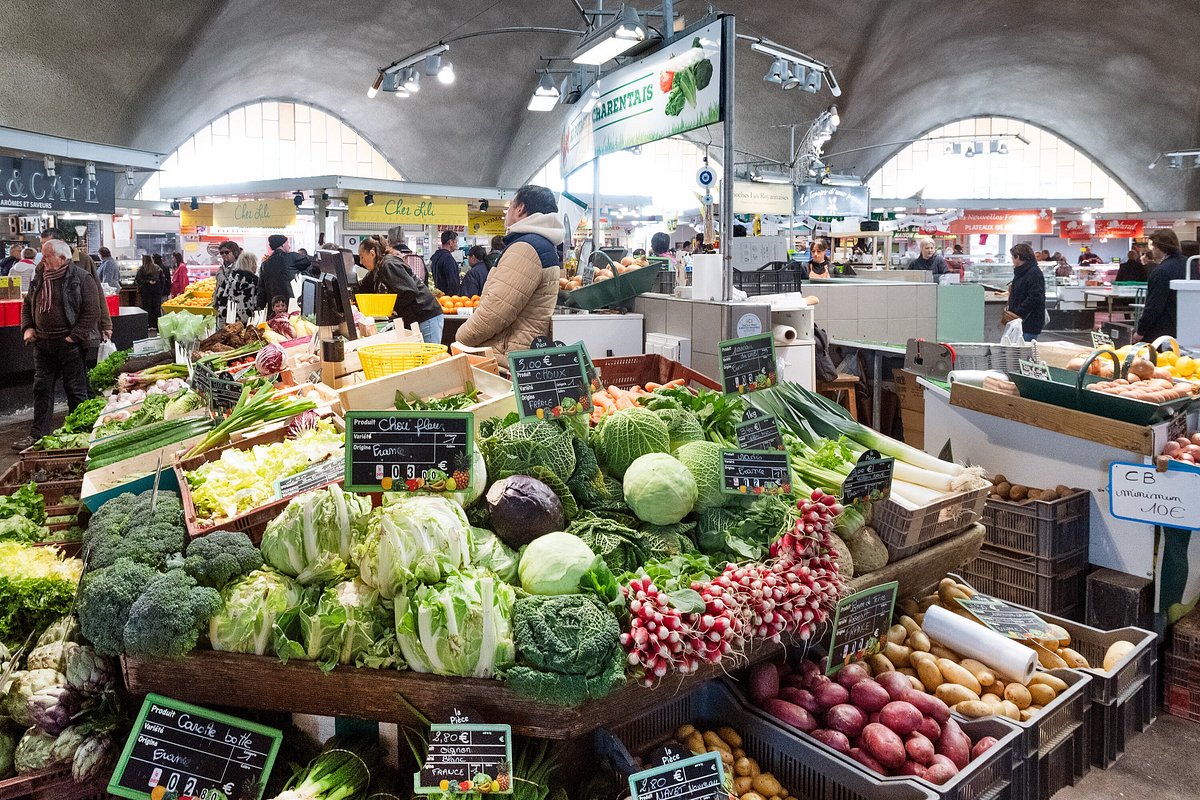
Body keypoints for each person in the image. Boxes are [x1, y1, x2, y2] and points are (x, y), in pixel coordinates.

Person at [457, 184, 564, 358]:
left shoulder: (526, 248)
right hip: (521, 353)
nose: (507, 212)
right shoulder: (542, 244)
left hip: (507, 357)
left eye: (510, 206)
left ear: (520, 208)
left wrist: (460, 338)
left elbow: (495, 312)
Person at [16, 239, 100, 450]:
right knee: (41, 388)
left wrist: (73, 337)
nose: (42, 259)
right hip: (42, 344)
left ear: (63, 258)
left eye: (47, 255)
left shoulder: (81, 278)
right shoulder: (39, 276)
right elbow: (27, 305)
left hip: (69, 345)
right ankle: (37, 435)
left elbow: (92, 311)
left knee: (76, 390)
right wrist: (28, 327)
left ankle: (79, 435)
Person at [357, 238, 443, 343]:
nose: (361, 262)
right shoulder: (377, 270)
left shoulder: (389, 265)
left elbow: (410, 291)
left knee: (431, 356)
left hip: (425, 315)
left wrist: (390, 306)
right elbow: (362, 287)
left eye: (362, 257)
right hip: (413, 319)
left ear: (372, 254)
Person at [1137, 230, 1197, 342]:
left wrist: (1140, 331)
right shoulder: (1190, 264)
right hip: (1188, 327)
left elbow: (1154, 306)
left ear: (1158, 247)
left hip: (1162, 331)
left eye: (1152, 246)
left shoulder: (1161, 271)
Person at [73, 250, 112, 372]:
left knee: (79, 369)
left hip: (79, 330)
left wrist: (106, 324)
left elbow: (97, 294)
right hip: (54, 336)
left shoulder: (83, 260)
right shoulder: (44, 263)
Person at [257, 234, 316, 310]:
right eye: (287, 243)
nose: (289, 246)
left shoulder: (264, 265)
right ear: (283, 245)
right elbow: (309, 261)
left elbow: (261, 291)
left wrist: (260, 308)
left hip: (275, 308)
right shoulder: (292, 257)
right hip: (292, 306)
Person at [1002, 242, 1045, 342]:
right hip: (1021, 322)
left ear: (1019, 257)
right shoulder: (1023, 271)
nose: (1012, 260)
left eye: (1013, 257)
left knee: (1022, 353)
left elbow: (1035, 297)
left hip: (1028, 322)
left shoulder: (1034, 273)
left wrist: (1018, 312)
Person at [214, 251, 260, 324]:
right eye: (255, 263)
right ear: (251, 265)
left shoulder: (229, 279)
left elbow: (219, 297)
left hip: (228, 321)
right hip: (248, 322)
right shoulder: (255, 283)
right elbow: (258, 304)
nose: (256, 266)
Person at [136, 254, 166, 330]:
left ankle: (148, 324)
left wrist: (146, 282)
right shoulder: (157, 267)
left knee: (147, 307)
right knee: (156, 307)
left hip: (146, 289)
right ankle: (157, 325)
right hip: (157, 289)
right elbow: (163, 279)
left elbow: (137, 279)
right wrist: (160, 289)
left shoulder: (142, 268)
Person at [430, 230, 462, 295]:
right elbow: (453, 282)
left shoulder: (436, 257)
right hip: (448, 299)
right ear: (450, 242)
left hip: (440, 295)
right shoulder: (448, 259)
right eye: (456, 242)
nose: (456, 245)